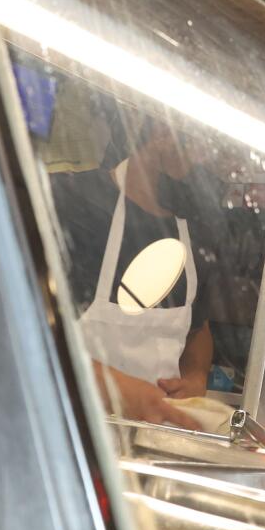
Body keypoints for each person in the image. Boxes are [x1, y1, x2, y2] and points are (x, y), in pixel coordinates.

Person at [50, 120, 228, 432]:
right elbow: (15, 329)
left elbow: (198, 329)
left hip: (154, 447)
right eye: (202, 151)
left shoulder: (193, 230)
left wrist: (195, 376)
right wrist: (114, 388)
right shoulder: (69, 201)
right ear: (162, 134)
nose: (209, 166)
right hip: (65, 437)